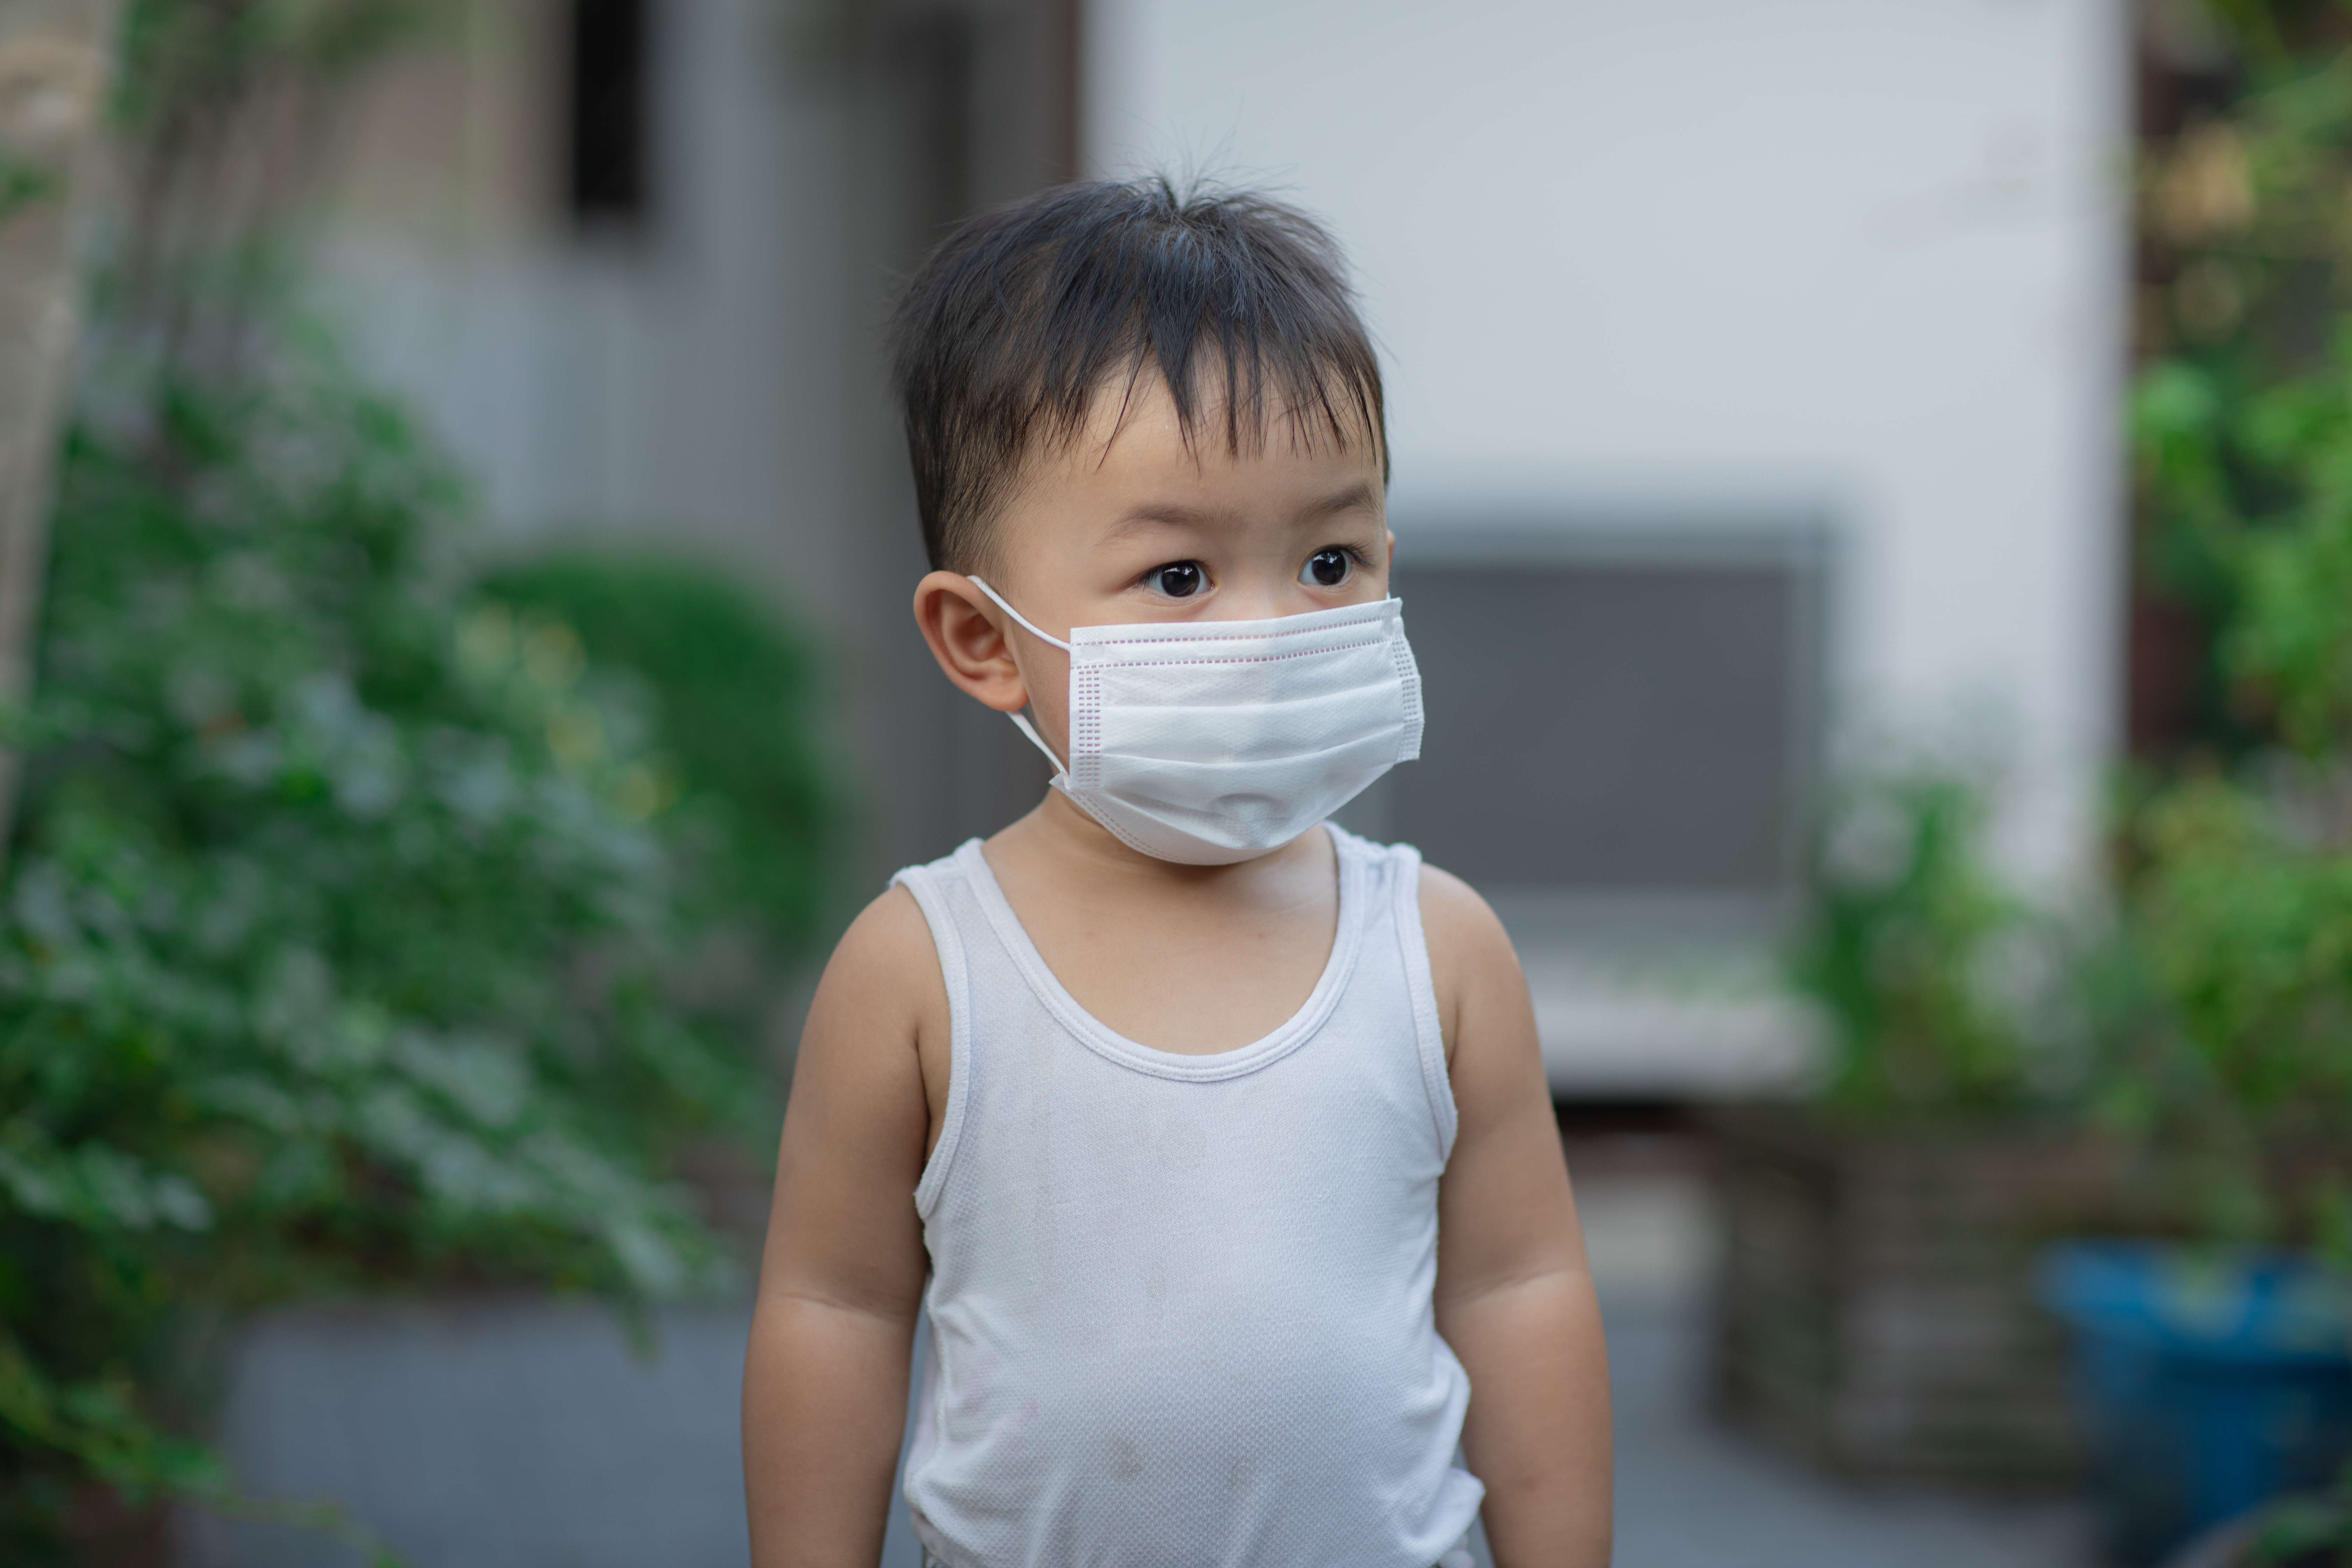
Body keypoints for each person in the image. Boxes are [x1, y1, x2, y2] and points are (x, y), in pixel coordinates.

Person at [742, 177, 1612, 1568]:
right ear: (984, 639)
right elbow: (835, 1309)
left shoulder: (1436, 949)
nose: (1272, 627)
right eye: (1181, 576)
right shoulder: (922, 966)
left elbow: (1518, 1285)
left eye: (1330, 558)